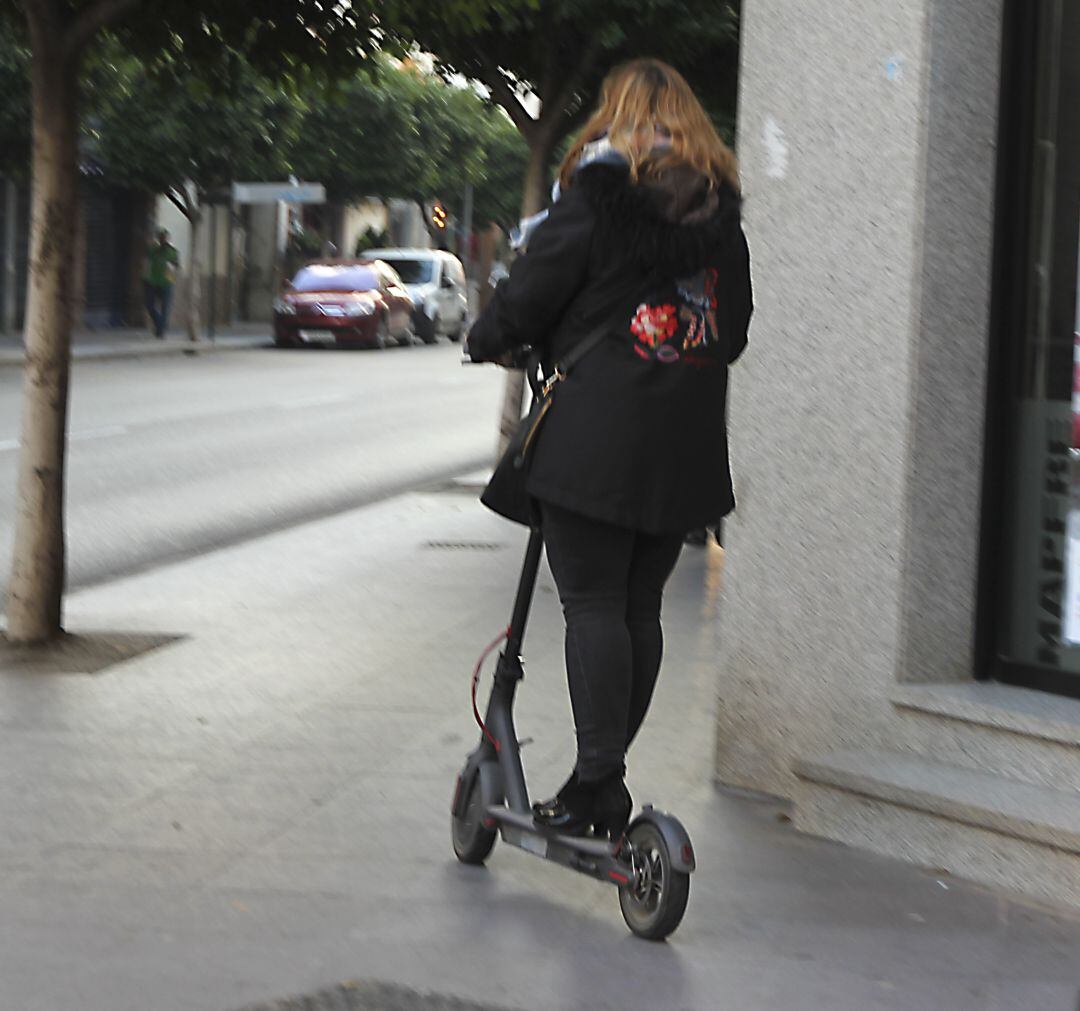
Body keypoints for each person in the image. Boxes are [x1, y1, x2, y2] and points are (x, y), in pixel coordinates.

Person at [466, 59, 753, 840]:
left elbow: (526, 295)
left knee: (592, 605)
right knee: (638, 608)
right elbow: (732, 333)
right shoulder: (720, 217)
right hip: (684, 444)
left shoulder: (595, 199)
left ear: (614, 120)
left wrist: (487, 338)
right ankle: (601, 774)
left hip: (595, 439)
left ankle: (599, 786)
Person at [144, 228, 180, 338]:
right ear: (158, 239)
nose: (163, 240)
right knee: (149, 305)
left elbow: (177, 266)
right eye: (161, 238)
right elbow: (147, 257)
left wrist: (174, 266)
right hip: (153, 281)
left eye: (164, 238)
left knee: (165, 307)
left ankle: (161, 331)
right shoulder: (153, 250)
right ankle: (160, 325)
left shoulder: (173, 252)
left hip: (167, 282)